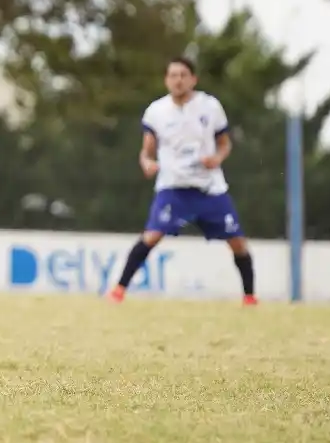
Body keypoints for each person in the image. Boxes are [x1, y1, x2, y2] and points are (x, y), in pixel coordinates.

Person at [108, 57, 257, 305]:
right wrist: (146, 162)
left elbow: (224, 143)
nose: (178, 80)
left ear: (193, 79)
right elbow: (147, 151)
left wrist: (217, 158)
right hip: (173, 186)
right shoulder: (156, 111)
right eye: (173, 75)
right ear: (166, 80)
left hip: (209, 187)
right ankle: (119, 290)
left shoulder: (210, 107)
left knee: (237, 242)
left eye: (183, 75)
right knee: (152, 236)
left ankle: (250, 297)